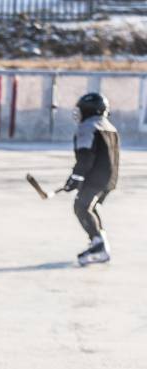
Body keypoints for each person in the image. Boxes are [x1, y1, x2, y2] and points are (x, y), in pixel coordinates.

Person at [64, 92, 119, 266]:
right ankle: (100, 243)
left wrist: (76, 176)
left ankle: (98, 245)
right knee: (91, 207)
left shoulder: (88, 127)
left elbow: (86, 155)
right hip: (110, 178)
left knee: (81, 207)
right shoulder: (109, 126)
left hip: (95, 177)